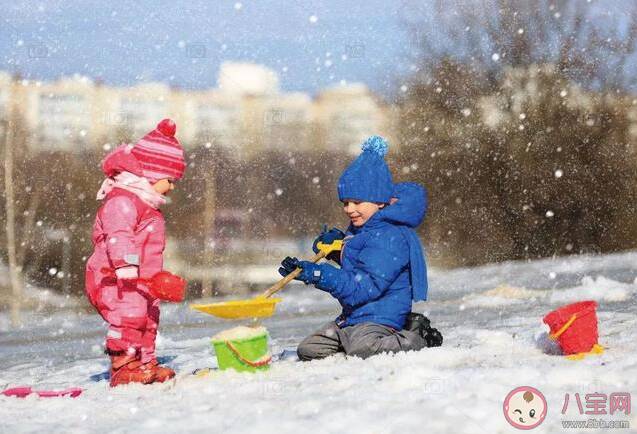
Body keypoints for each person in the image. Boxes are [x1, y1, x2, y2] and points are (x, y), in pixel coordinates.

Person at [279, 135, 442, 361]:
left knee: (362, 348)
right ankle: (353, 339)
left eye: (357, 202)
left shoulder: (390, 236)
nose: (349, 209)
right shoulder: (361, 230)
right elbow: (359, 262)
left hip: (381, 317)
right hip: (353, 318)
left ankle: (416, 337)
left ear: (380, 202)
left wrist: (317, 274)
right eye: (345, 202)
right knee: (309, 349)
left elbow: (364, 286)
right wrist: (335, 248)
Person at [84, 119, 186, 386]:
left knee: (149, 319)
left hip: (143, 280)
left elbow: (149, 249)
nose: (172, 187)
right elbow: (120, 236)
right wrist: (127, 267)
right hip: (115, 276)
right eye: (169, 180)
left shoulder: (146, 205)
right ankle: (124, 366)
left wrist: (157, 277)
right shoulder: (122, 200)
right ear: (151, 174)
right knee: (130, 317)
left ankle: (145, 363)